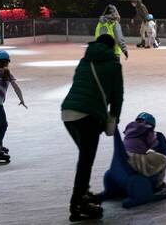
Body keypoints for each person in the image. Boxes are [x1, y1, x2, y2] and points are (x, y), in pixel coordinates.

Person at [61, 34, 124, 222]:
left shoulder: (84, 61)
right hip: (88, 116)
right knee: (86, 161)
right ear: (111, 48)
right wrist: (114, 117)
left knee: (85, 157)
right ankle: (77, 204)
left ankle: (84, 194)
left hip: (68, 113)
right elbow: (117, 96)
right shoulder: (114, 65)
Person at [123, 112, 166, 195]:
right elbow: (154, 144)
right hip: (136, 159)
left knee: (151, 156)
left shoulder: (130, 128)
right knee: (163, 159)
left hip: (125, 156)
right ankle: (159, 186)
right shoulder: (147, 129)